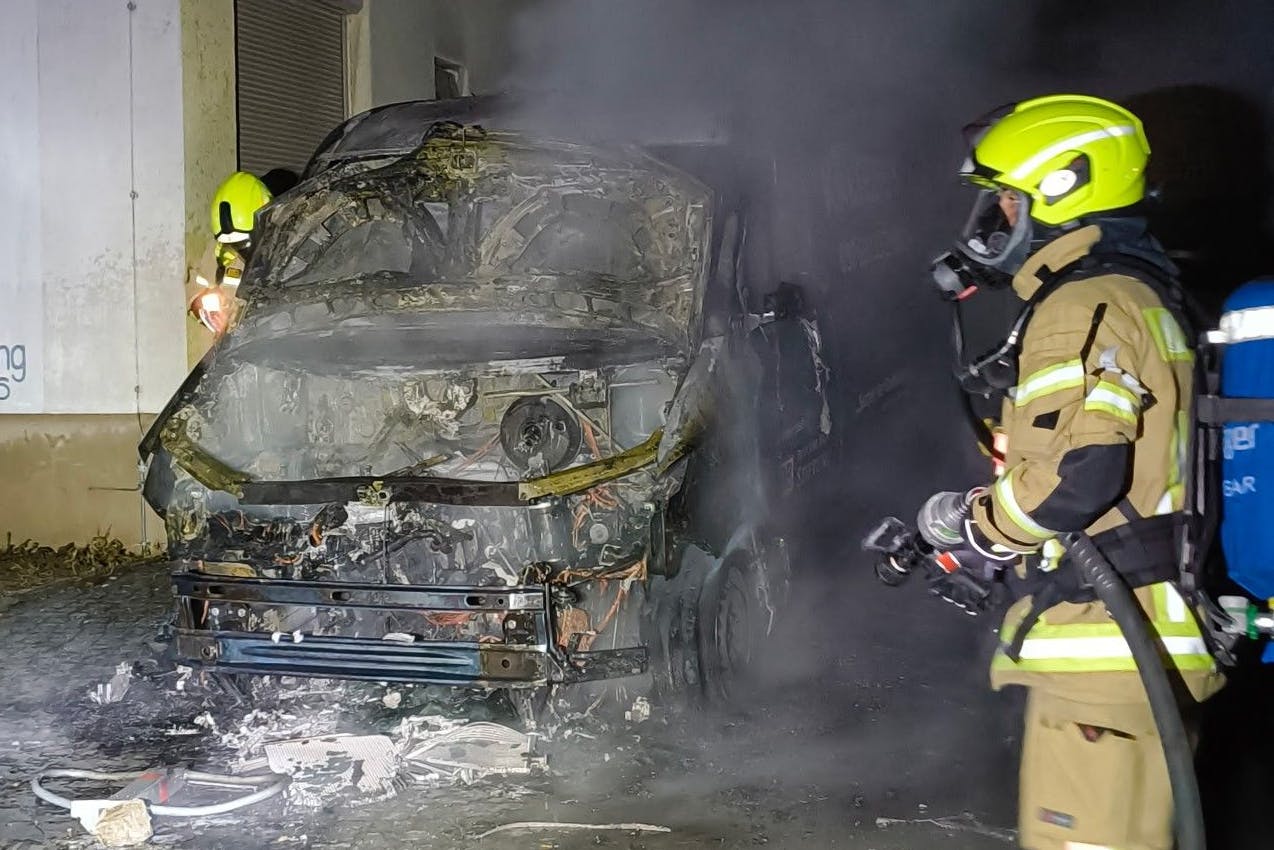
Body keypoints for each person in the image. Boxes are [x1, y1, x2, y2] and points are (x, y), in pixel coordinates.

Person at [914, 94, 1224, 850]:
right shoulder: (1141, 296)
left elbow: (1072, 479)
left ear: (1062, 193)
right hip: (1137, 655)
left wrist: (973, 527)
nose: (992, 226)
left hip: (1102, 666)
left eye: (1007, 204)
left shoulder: (1079, 303)